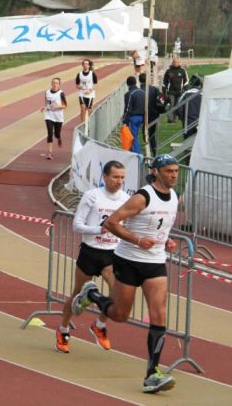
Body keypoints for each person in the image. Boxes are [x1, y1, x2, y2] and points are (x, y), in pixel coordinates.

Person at [72, 154, 180, 394]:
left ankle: (152, 373)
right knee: (120, 314)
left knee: (159, 314)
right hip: (128, 260)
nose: (174, 175)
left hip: (155, 262)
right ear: (156, 172)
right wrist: (137, 240)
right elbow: (112, 223)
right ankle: (93, 295)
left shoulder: (174, 197)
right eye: (169, 171)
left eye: (176, 171)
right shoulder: (143, 197)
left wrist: (168, 240)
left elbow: (161, 226)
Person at [55, 161, 129, 353]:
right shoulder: (92, 196)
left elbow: (126, 226)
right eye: (115, 177)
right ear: (104, 177)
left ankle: (99, 325)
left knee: (118, 293)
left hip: (112, 253)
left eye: (122, 177)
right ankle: (63, 328)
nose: (119, 181)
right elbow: (77, 225)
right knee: (77, 293)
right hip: (90, 251)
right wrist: (99, 229)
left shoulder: (126, 199)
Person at [41, 77, 67, 160]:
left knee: (56, 134)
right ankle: (49, 153)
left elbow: (65, 105)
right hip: (49, 115)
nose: (55, 84)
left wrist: (58, 106)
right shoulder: (47, 92)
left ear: (59, 85)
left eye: (57, 83)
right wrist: (44, 107)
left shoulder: (61, 93)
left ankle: (59, 138)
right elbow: (47, 102)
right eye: (53, 83)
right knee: (49, 133)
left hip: (58, 116)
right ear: (51, 84)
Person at [139, 72, 161, 155]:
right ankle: (154, 152)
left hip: (144, 115)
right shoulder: (154, 89)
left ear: (140, 81)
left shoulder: (139, 90)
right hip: (154, 115)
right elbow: (161, 100)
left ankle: (147, 151)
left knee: (145, 133)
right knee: (151, 134)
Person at [123, 75, 145, 154]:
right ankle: (135, 153)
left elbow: (128, 108)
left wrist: (125, 120)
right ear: (136, 82)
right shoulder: (142, 92)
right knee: (135, 136)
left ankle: (137, 155)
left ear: (128, 84)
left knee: (133, 138)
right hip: (141, 117)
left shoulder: (129, 94)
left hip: (133, 118)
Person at [162, 57, 189, 123]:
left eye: (177, 62)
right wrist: (164, 90)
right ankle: (170, 119)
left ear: (179, 63)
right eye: (174, 62)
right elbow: (165, 81)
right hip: (171, 91)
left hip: (180, 91)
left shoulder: (183, 71)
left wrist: (185, 89)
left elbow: (187, 81)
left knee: (177, 105)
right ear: (172, 63)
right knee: (171, 104)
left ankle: (175, 118)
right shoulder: (168, 71)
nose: (175, 63)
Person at [176, 75, 202, 140]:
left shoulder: (185, 93)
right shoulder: (203, 93)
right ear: (200, 84)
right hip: (200, 121)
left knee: (187, 142)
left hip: (187, 121)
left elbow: (178, 107)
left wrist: (182, 117)